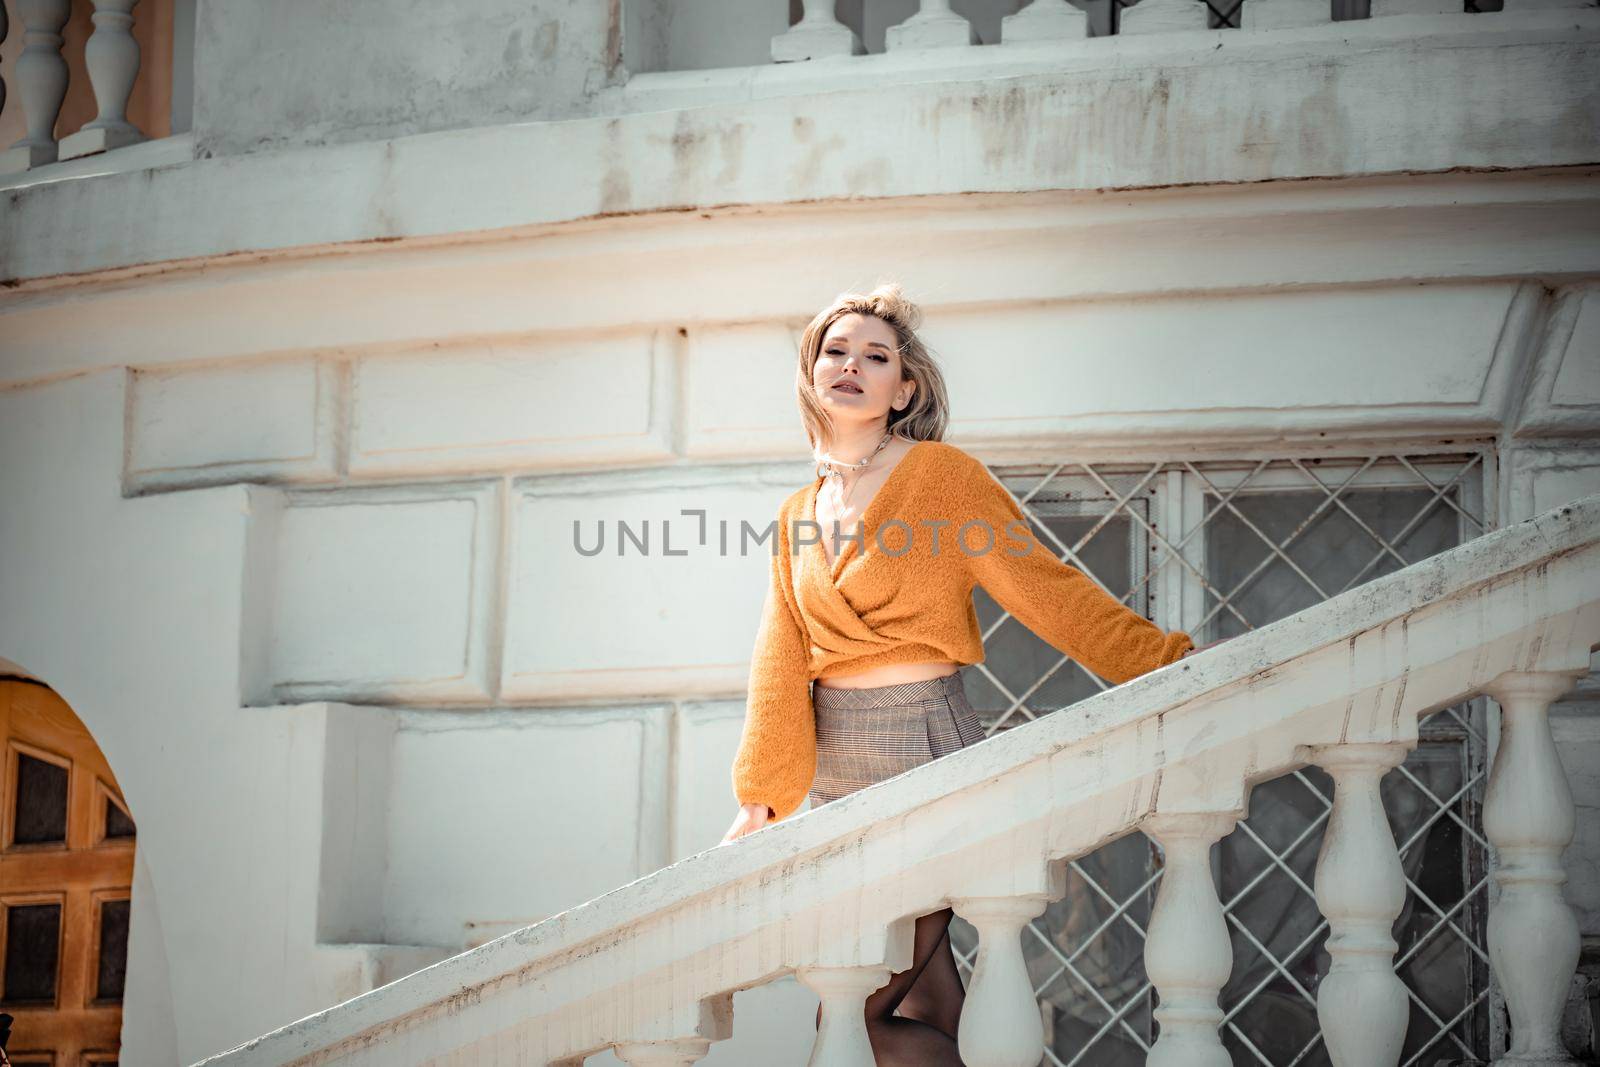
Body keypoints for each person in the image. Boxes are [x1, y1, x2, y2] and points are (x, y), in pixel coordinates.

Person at [719, 282, 1225, 1064]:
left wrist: (1159, 662)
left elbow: (1042, 586)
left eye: (876, 356)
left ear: (904, 387)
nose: (852, 365)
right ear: (811, 371)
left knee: (854, 1018)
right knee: (924, 1005)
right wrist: (763, 795)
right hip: (837, 767)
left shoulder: (943, 477)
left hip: (925, 745)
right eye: (836, 350)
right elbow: (779, 656)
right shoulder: (797, 512)